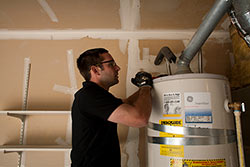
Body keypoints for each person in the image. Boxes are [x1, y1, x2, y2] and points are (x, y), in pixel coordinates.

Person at [71, 48, 153, 167]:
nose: (117, 68)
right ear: (95, 70)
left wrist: (146, 87)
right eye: (111, 64)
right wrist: (146, 87)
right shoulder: (90, 96)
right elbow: (140, 119)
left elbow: (127, 103)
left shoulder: (96, 95)